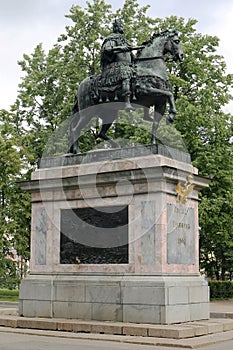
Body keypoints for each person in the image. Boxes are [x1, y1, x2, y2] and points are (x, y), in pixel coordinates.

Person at [100, 18, 135, 111]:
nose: (122, 27)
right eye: (121, 26)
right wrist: (120, 47)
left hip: (129, 65)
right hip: (115, 66)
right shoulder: (111, 38)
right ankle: (127, 103)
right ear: (116, 27)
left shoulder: (125, 40)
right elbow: (106, 49)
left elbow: (131, 55)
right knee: (125, 73)